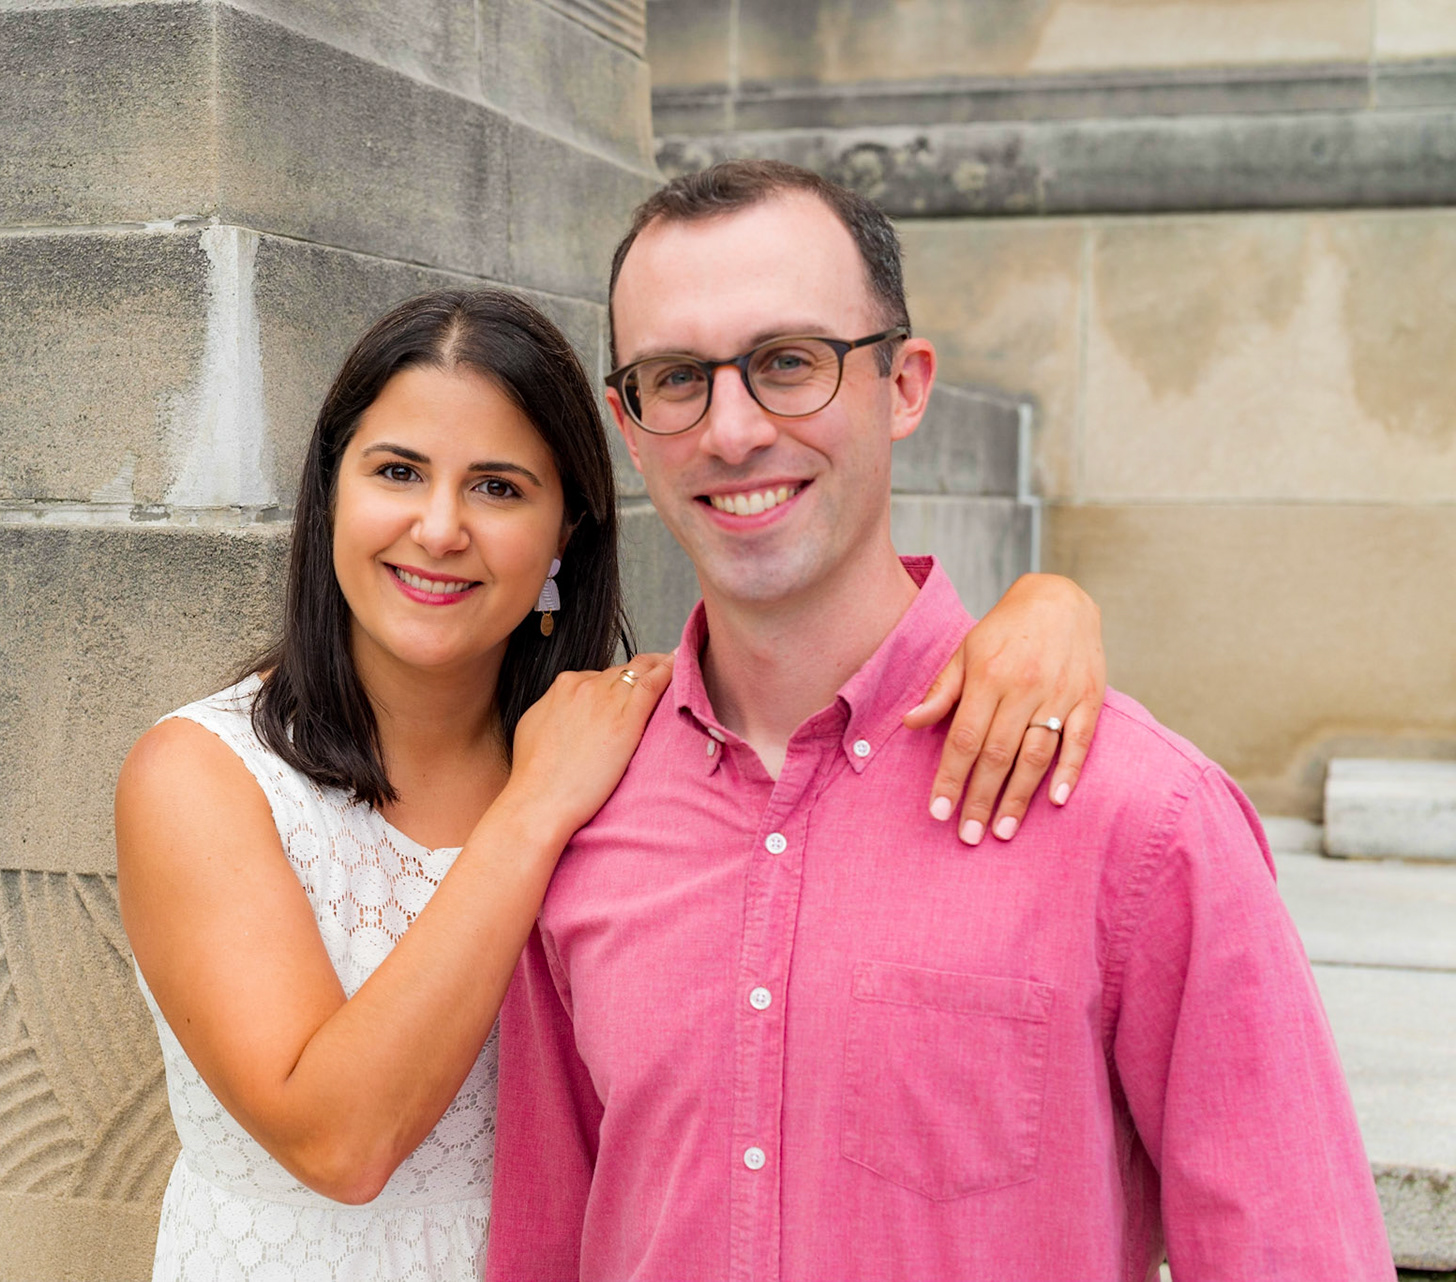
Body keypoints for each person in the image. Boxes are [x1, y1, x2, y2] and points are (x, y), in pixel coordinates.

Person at [487, 160, 1392, 1281]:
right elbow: (544, 1245)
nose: (732, 430)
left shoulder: (1139, 815)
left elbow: (1292, 1252)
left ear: (905, 386)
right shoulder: (582, 803)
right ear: (629, 425)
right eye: (677, 378)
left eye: (789, 362)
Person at [116, 288, 1107, 1282]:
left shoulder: (629, 748)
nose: (439, 527)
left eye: (498, 488)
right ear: (333, 490)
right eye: (398, 472)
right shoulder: (203, 776)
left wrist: (1051, 603)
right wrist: (534, 809)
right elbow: (339, 1142)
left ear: (565, 534)